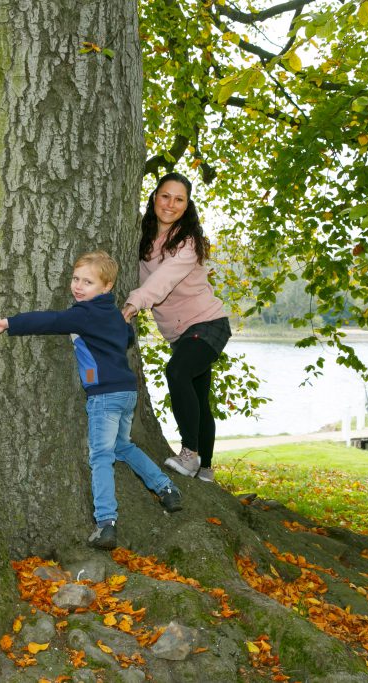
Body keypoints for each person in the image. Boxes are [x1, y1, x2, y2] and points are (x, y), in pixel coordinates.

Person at [0, 251, 183, 550]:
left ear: (106, 287)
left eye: (88, 282)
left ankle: (106, 522)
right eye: (76, 279)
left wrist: (8, 322)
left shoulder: (84, 313)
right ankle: (166, 487)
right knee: (122, 446)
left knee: (101, 456)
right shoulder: (114, 316)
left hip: (104, 395)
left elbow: (50, 320)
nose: (78, 287)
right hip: (127, 392)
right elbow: (128, 339)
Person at [121, 172, 230, 484]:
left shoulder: (188, 242)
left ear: (187, 205)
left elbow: (163, 278)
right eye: (165, 196)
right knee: (198, 397)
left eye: (179, 199)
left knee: (178, 373)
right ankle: (206, 469)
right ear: (155, 196)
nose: (170, 204)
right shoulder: (141, 238)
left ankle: (190, 453)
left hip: (208, 324)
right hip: (180, 334)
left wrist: (133, 303)